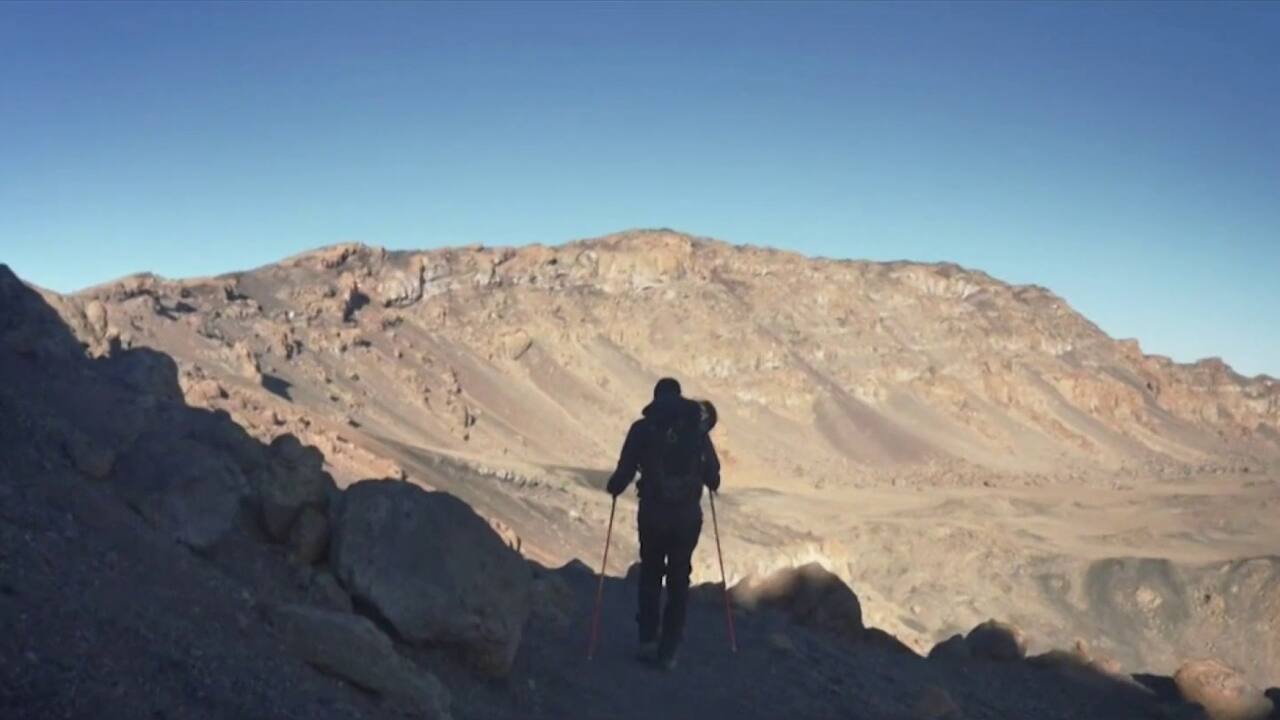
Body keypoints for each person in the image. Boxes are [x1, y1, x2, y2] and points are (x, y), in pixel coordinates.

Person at [606, 377, 720, 670]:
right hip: (687, 518)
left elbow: (624, 472)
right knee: (679, 580)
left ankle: (647, 641)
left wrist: (615, 487)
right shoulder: (696, 430)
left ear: (656, 399)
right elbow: (714, 476)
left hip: (653, 515)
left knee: (651, 573)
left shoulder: (643, 429)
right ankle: (669, 652)